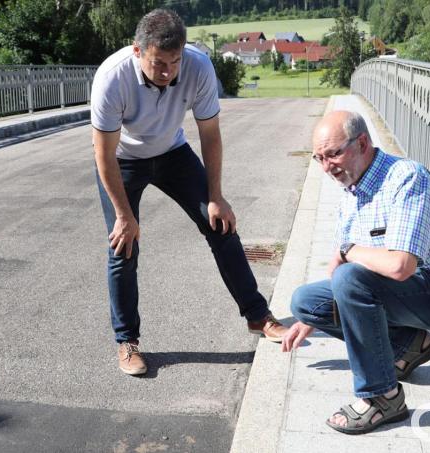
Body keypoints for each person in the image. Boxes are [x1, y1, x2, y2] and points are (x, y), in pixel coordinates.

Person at [91, 9, 288, 376]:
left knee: (220, 226)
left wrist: (216, 196)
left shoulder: (198, 67)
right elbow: (103, 153)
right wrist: (124, 216)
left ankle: (258, 316)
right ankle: (127, 341)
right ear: (137, 50)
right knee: (123, 245)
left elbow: (210, 134)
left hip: (173, 154)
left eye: (175, 62)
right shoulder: (111, 77)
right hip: (123, 160)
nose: (168, 72)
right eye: (159, 63)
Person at [281, 110, 430, 434]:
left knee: (349, 279)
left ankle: (382, 397)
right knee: (306, 301)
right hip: (403, 290)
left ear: (361, 143)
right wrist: (312, 318)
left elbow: (400, 266)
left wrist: (347, 250)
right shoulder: (351, 190)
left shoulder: (406, 178)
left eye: (333, 154)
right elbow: (345, 266)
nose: (327, 167)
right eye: (319, 158)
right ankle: (409, 345)